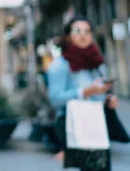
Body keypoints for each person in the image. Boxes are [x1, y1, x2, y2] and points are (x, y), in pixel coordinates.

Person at [48, 15, 119, 171]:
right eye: (77, 31)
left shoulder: (97, 62)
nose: (83, 35)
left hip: (97, 127)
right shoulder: (60, 64)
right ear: (68, 36)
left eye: (87, 31)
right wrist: (84, 92)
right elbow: (55, 98)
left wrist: (108, 100)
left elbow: (99, 94)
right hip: (73, 128)